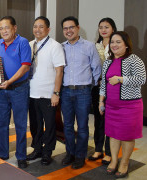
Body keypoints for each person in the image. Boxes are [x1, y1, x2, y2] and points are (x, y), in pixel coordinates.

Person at [99, 31, 146, 178]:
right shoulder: (108, 61)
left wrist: (121, 79)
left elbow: (141, 79)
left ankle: (124, 163)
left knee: (126, 136)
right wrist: (101, 101)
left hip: (130, 106)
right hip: (111, 106)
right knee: (113, 135)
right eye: (112, 42)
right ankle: (113, 161)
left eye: (118, 42)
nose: (114, 45)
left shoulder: (134, 60)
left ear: (126, 45)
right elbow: (104, 84)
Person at [60, 16, 101, 169]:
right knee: (68, 125)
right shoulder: (61, 47)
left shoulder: (89, 46)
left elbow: (96, 69)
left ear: (77, 28)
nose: (68, 31)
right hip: (65, 91)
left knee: (83, 126)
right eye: (65, 28)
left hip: (83, 91)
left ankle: (80, 155)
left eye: (71, 27)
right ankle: (70, 152)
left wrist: (92, 89)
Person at [27, 16, 65, 165]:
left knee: (49, 125)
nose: (37, 29)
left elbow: (59, 71)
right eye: (35, 26)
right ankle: (37, 149)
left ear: (48, 29)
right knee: (35, 124)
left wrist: (56, 93)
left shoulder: (55, 46)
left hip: (48, 94)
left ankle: (47, 152)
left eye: (41, 26)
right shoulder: (29, 45)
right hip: (31, 92)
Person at [0, 16, 31, 168]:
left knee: (20, 124)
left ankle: (21, 156)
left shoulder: (23, 43)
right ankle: (3, 153)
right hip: (2, 91)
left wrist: (9, 81)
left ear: (15, 28)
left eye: (6, 27)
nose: (3, 31)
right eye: (1, 28)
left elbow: (25, 66)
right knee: (1, 123)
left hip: (19, 89)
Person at [89, 17, 117, 165]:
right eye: (101, 27)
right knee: (98, 120)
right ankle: (98, 149)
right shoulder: (95, 46)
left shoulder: (116, 44)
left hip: (113, 87)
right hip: (97, 87)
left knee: (109, 120)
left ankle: (109, 152)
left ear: (113, 28)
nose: (103, 30)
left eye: (107, 27)